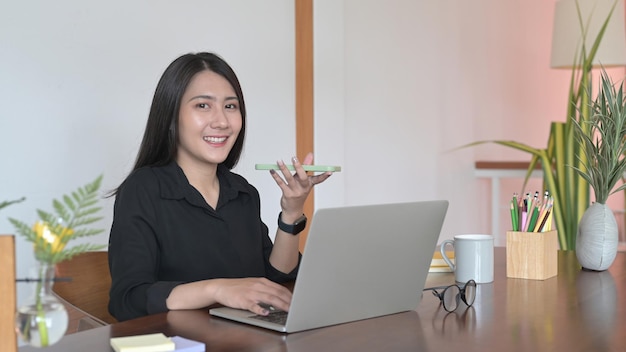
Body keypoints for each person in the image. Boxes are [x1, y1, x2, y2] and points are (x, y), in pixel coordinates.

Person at [107, 52, 333, 321]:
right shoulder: (143, 189)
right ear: (171, 115)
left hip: (246, 340)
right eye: (203, 106)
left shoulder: (243, 193)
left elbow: (276, 278)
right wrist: (218, 289)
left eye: (230, 106)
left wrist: (292, 213)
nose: (222, 122)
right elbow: (128, 299)